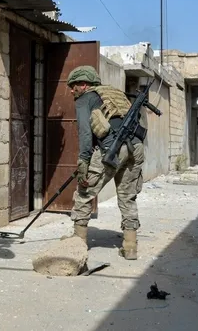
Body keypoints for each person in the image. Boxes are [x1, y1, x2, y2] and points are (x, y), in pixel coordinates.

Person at [63, 65, 145, 260]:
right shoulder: (115, 94)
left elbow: (85, 133)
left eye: (73, 86)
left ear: (84, 85)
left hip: (113, 150)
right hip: (136, 148)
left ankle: (77, 243)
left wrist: (83, 162)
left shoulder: (85, 98)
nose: (72, 91)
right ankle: (130, 246)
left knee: (84, 193)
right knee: (127, 196)